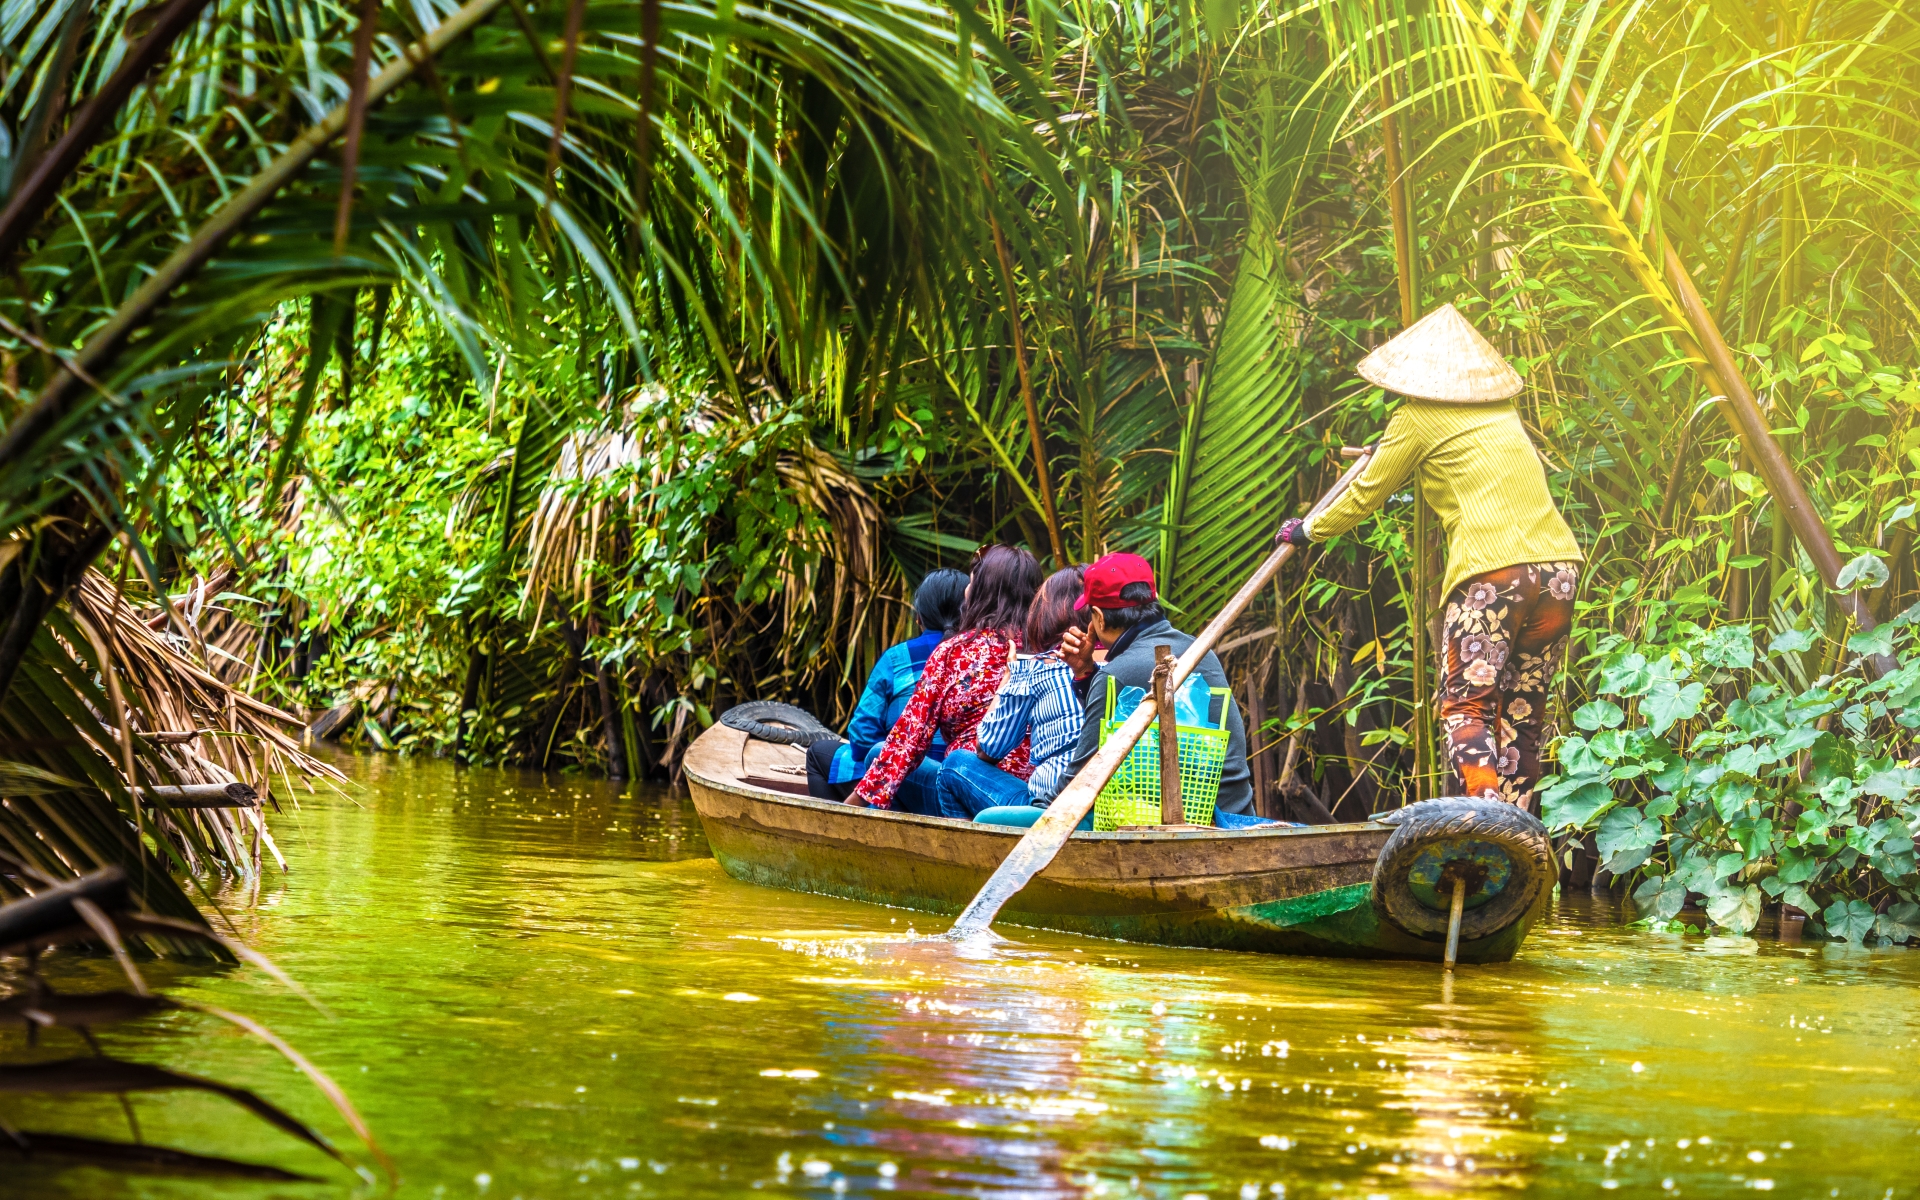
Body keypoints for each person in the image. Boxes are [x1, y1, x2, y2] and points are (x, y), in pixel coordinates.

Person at [1276, 303, 1582, 810]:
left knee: (1467, 705)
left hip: (1495, 573)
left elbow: (1366, 494)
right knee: (1521, 714)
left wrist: (1307, 529)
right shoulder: (1500, 412)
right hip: (1558, 572)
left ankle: (1487, 822)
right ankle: (1518, 830)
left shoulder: (1415, 418)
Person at [1057, 553, 1266, 825]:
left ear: (1098, 618)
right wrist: (1086, 674)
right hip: (1236, 815)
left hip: (1186, 822)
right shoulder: (1201, 651)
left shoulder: (1116, 672)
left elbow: (1078, 783)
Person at [848, 546, 1044, 809]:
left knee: (879, 755)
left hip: (963, 792)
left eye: (972, 582)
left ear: (980, 591)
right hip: (1035, 793)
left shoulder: (956, 651)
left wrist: (850, 807)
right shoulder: (1051, 651)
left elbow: (909, 737)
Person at [936, 565, 1095, 822]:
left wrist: (1009, 678)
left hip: (1052, 808)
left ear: (1050, 613)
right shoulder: (1125, 661)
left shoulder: (1040, 666)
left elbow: (988, 748)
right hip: (1114, 803)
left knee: (954, 765)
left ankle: (968, 855)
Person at [805, 568, 968, 812]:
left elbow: (861, 737)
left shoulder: (897, 659)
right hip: (963, 783)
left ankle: (831, 835)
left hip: (900, 778)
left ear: (918, 617)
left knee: (819, 753)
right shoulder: (987, 660)